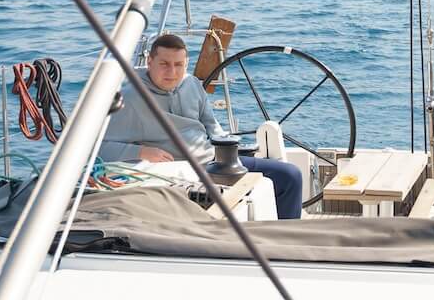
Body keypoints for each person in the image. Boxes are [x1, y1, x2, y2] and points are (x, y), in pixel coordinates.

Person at [99, 33, 305, 220]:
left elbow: (212, 128)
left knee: (289, 176)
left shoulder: (192, 85)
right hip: (181, 174)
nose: (172, 72)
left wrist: (230, 148)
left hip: (215, 163)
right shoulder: (130, 98)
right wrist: (142, 151)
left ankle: (285, 240)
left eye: (179, 65)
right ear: (150, 62)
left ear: (186, 64)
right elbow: (97, 149)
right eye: (164, 64)